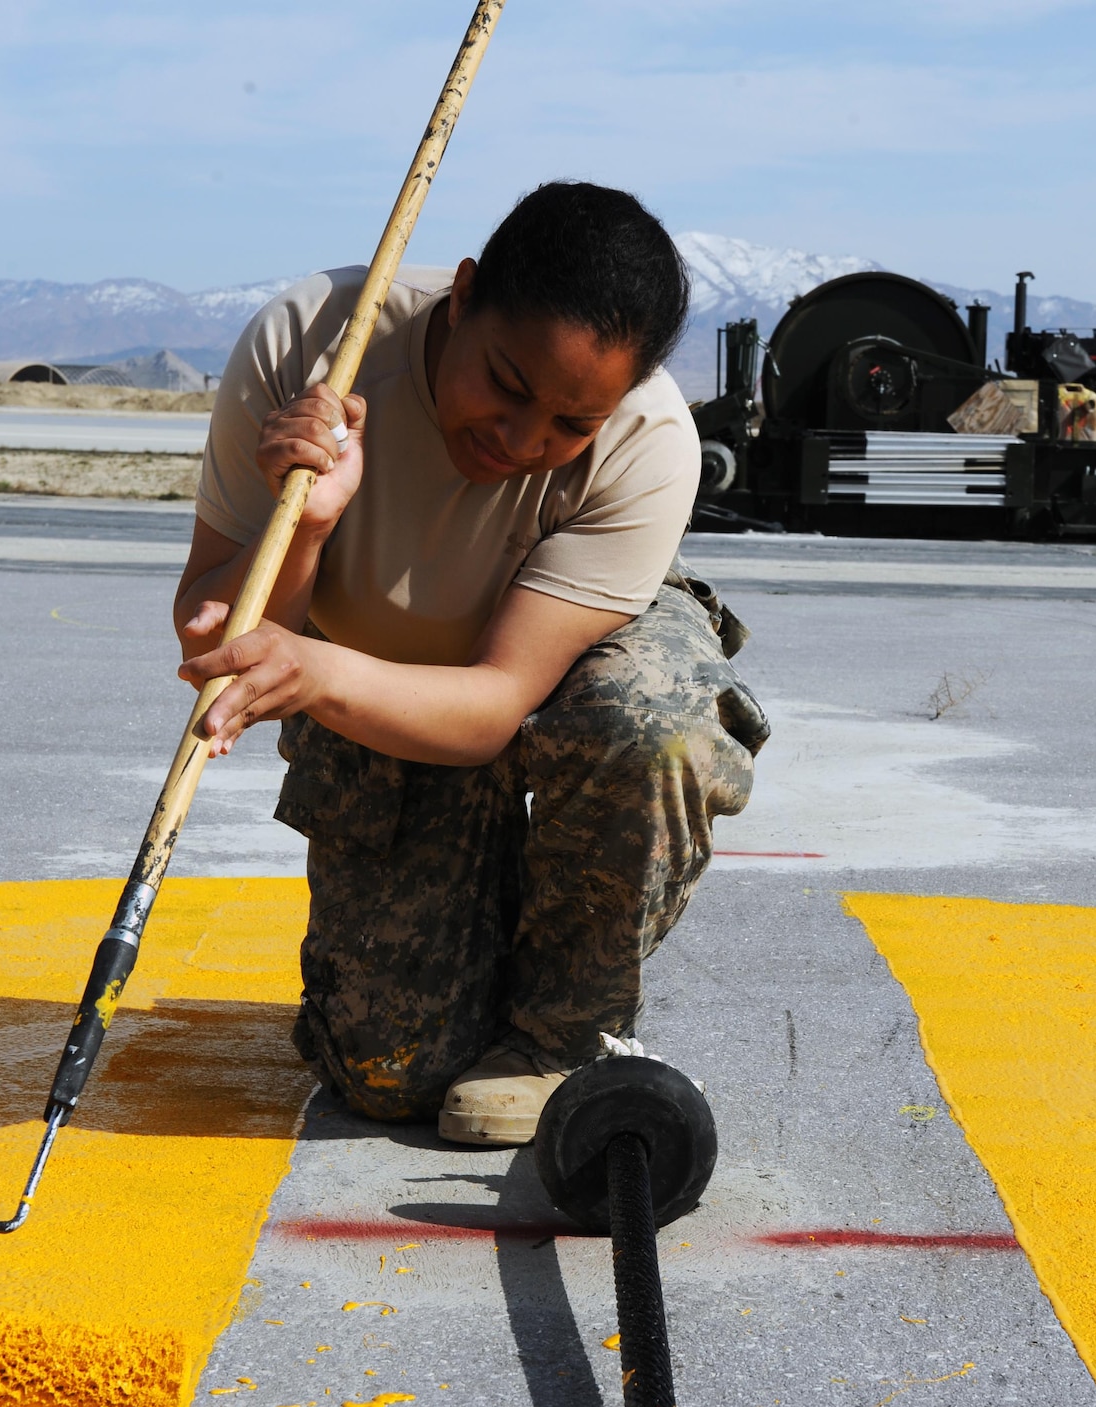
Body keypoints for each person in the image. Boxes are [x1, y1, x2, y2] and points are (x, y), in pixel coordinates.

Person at [173, 182, 768, 1146]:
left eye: (572, 426)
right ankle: (470, 950)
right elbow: (213, 638)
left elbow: (496, 702)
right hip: (385, 683)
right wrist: (310, 532)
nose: (526, 442)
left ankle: (561, 1032)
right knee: (384, 1073)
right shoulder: (312, 345)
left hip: (548, 662)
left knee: (648, 726)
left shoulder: (651, 443)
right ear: (461, 295)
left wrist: (319, 676)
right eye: (509, 383)